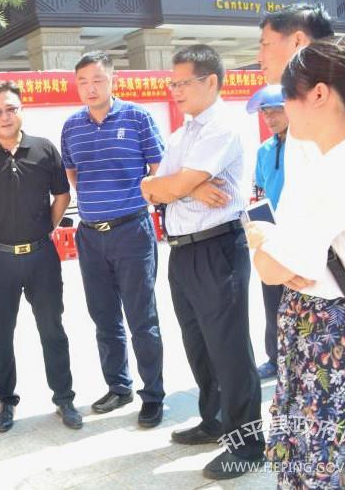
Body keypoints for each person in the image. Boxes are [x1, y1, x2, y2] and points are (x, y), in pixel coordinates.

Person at [246, 36, 345, 489]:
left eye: (286, 94)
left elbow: (271, 269)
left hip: (335, 349)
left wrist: (263, 240)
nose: (281, 107)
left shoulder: (336, 171)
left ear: (319, 94)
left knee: (329, 466)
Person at [140, 45, 264, 479]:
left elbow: (169, 186)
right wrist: (186, 187)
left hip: (217, 247)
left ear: (210, 81)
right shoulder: (182, 134)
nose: (175, 91)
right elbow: (150, 187)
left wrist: (178, 186)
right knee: (198, 343)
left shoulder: (224, 126)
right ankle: (214, 421)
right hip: (182, 249)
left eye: (182, 83)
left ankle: (248, 444)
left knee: (228, 347)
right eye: (172, 83)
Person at [0, 81, 81, 432]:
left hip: (41, 256)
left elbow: (61, 195)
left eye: (11, 109)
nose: (5, 117)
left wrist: (46, 228)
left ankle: (64, 398)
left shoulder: (44, 150)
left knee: (52, 329)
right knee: (0, 334)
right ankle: (6, 402)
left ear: (21, 109)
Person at [60, 51, 165, 428]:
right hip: (90, 235)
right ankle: (119, 386)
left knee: (141, 317)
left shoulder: (137, 117)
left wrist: (130, 200)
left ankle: (153, 394)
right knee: (104, 317)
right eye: (83, 82)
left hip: (131, 230)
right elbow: (73, 173)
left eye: (97, 80)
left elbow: (158, 168)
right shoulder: (71, 126)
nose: (90, 88)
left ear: (113, 80)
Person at [257, 3, 334, 221]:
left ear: (298, 41)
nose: (259, 57)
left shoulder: (343, 105)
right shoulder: (300, 112)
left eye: (265, 44)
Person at [245, 85, 288, 379]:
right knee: (272, 301)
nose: (270, 118)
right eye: (265, 113)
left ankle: (298, 359)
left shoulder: (306, 146)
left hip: (299, 235)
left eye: (276, 111)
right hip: (272, 237)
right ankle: (275, 358)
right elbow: (259, 193)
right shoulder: (264, 150)